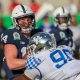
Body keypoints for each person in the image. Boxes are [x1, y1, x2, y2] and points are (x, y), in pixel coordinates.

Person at [1, 4, 36, 80]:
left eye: (28, 19)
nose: (26, 23)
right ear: (15, 21)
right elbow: (11, 63)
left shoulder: (38, 33)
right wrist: (37, 60)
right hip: (19, 76)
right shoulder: (11, 34)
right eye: (22, 20)